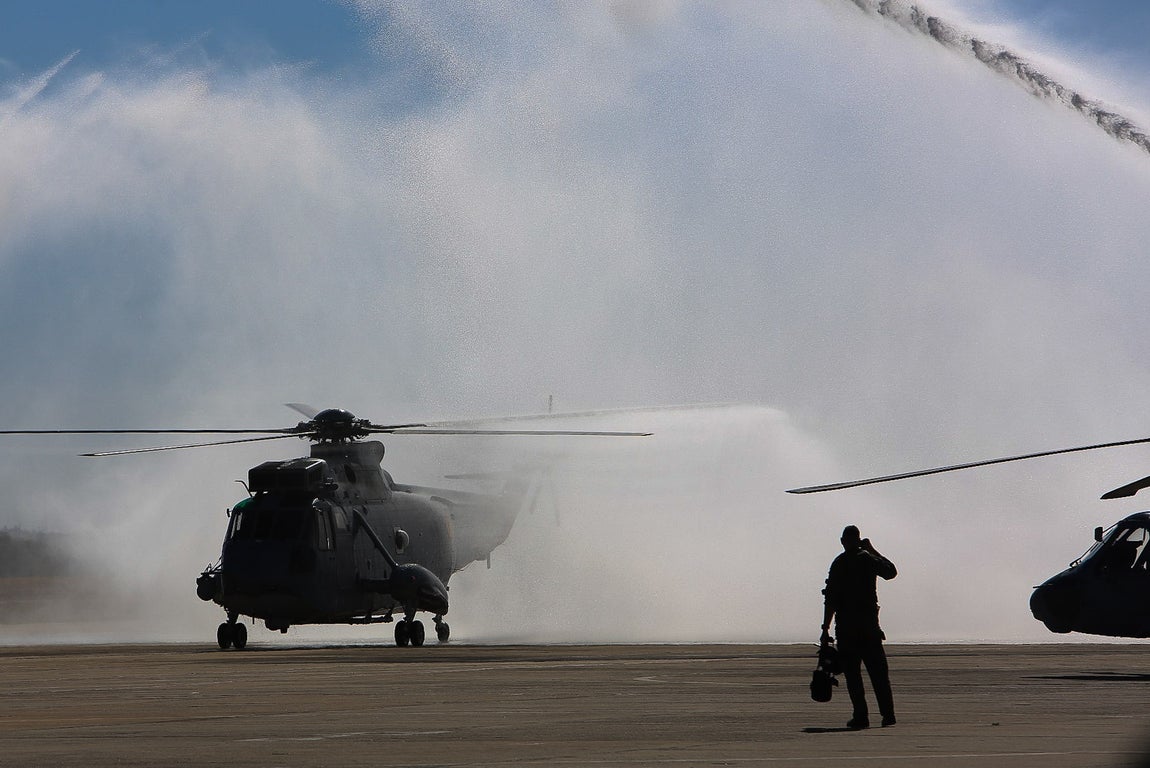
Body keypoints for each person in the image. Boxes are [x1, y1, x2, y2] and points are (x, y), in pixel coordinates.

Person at [820, 525, 897, 730]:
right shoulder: (868, 559)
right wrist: (872, 550)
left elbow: (831, 599)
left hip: (847, 631)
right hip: (869, 629)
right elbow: (890, 572)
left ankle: (861, 716)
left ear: (843, 541)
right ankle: (888, 715)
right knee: (879, 675)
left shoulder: (839, 563)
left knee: (854, 677)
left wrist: (825, 628)